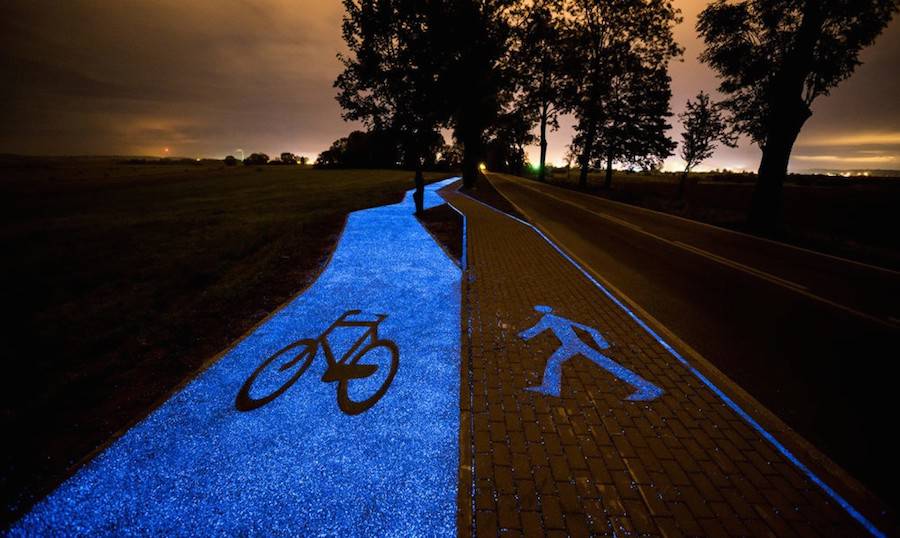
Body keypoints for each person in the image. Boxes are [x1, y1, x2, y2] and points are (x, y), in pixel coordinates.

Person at [519, 305, 663, 401]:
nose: (538, 311)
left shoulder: (548, 318)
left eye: (539, 309)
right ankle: (550, 388)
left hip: (574, 344)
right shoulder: (560, 318)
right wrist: (603, 345)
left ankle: (649, 388)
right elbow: (591, 329)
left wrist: (523, 335)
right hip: (576, 344)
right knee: (555, 361)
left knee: (606, 364)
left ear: (542, 311)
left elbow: (536, 330)